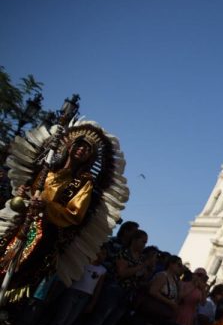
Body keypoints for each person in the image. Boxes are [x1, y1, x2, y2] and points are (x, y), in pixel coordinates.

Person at [0, 121, 128, 304]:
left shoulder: (84, 183)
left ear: (90, 157)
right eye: (79, 145)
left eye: (87, 149)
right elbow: (31, 193)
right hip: (21, 225)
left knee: (18, 275)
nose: (81, 150)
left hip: (45, 234)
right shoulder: (48, 169)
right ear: (70, 146)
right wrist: (23, 193)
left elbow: (75, 214)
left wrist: (46, 205)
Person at [41, 244, 107, 325]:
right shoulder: (84, 263)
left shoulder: (102, 270)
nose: (102, 256)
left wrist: (92, 303)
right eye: (100, 252)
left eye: (105, 254)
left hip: (85, 296)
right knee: (59, 320)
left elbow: (98, 288)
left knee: (67, 323)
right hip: (73, 291)